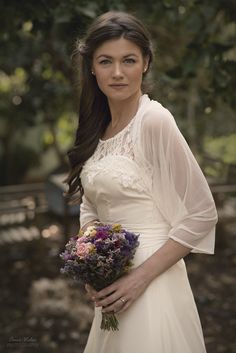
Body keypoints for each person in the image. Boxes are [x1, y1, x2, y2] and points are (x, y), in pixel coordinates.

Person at [65, 11, 218, 353]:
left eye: (129, 60)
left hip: (152, 283)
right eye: (106, 61)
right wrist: (92, 260)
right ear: (91, 66)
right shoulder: (96, 127)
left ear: (146, 63)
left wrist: (139, 278)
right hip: (112, 286)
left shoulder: (155, 121)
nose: (117, 72)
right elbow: (92, 203)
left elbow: (202, 213)